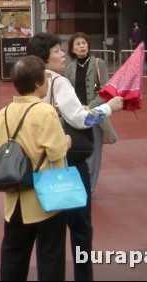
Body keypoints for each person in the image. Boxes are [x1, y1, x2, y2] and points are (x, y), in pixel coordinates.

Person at [26, 33, 123, 282]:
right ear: (44, 57)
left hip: (41, 164)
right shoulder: (59, 82)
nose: (62, 55)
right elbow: (80, 119)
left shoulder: (30, 82)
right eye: (57, 51)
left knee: (49, 232)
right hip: (69, 164)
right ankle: (83, 276)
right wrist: (107, 109)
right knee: (80, 228)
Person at [0, 55, 69, 281]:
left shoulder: (4, 112)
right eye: (45, 78)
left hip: (15, 197)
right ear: (38, 84)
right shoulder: (44, 111)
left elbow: (0, 148)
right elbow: (57, 152)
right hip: (46, 197)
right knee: (50, 254)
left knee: (13, 254)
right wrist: (67, 141)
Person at [64, 32, 118, 194]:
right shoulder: (69, 66)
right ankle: (76, 182)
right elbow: (67, 90)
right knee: (75, 149)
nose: (82, 47)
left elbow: (105, 89)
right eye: (78, 44)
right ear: (72, 49)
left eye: (84, 43)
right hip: (75, 114)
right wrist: (75, 107)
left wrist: (91, 106)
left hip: (94, 113)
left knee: (94, 152)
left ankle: (89, 188)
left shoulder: (98, 63)